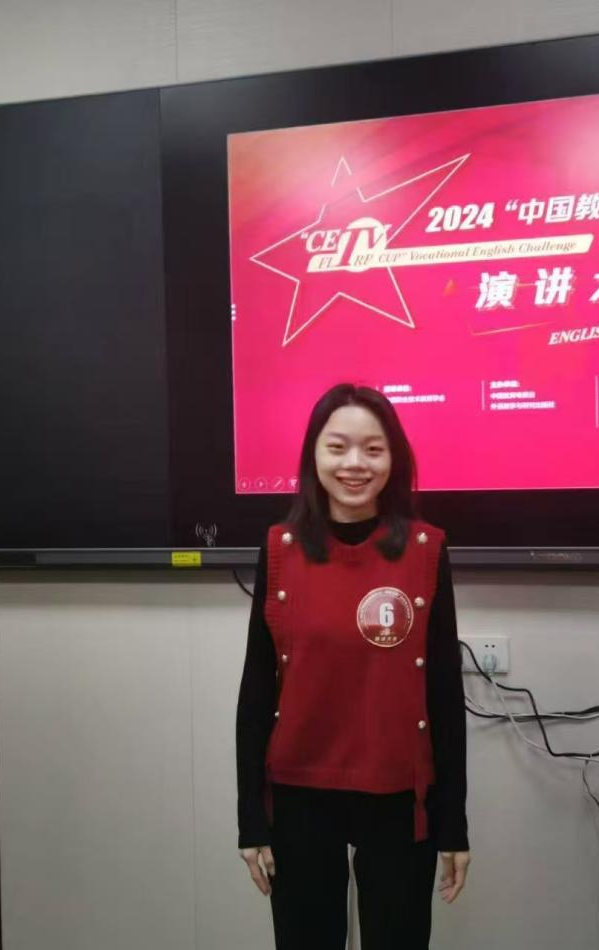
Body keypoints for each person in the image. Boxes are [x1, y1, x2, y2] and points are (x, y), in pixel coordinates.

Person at [236, 382, 471, 949]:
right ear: (313, 456)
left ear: (394, 459)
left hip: (399, 794)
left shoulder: (425, 549)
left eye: (373, 449)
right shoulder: (280, 548)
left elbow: (443, 692)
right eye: (337, 447)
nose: (355, 464)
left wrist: (453, 823)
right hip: (298, 793)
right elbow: (257, 689)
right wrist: (250, 818)